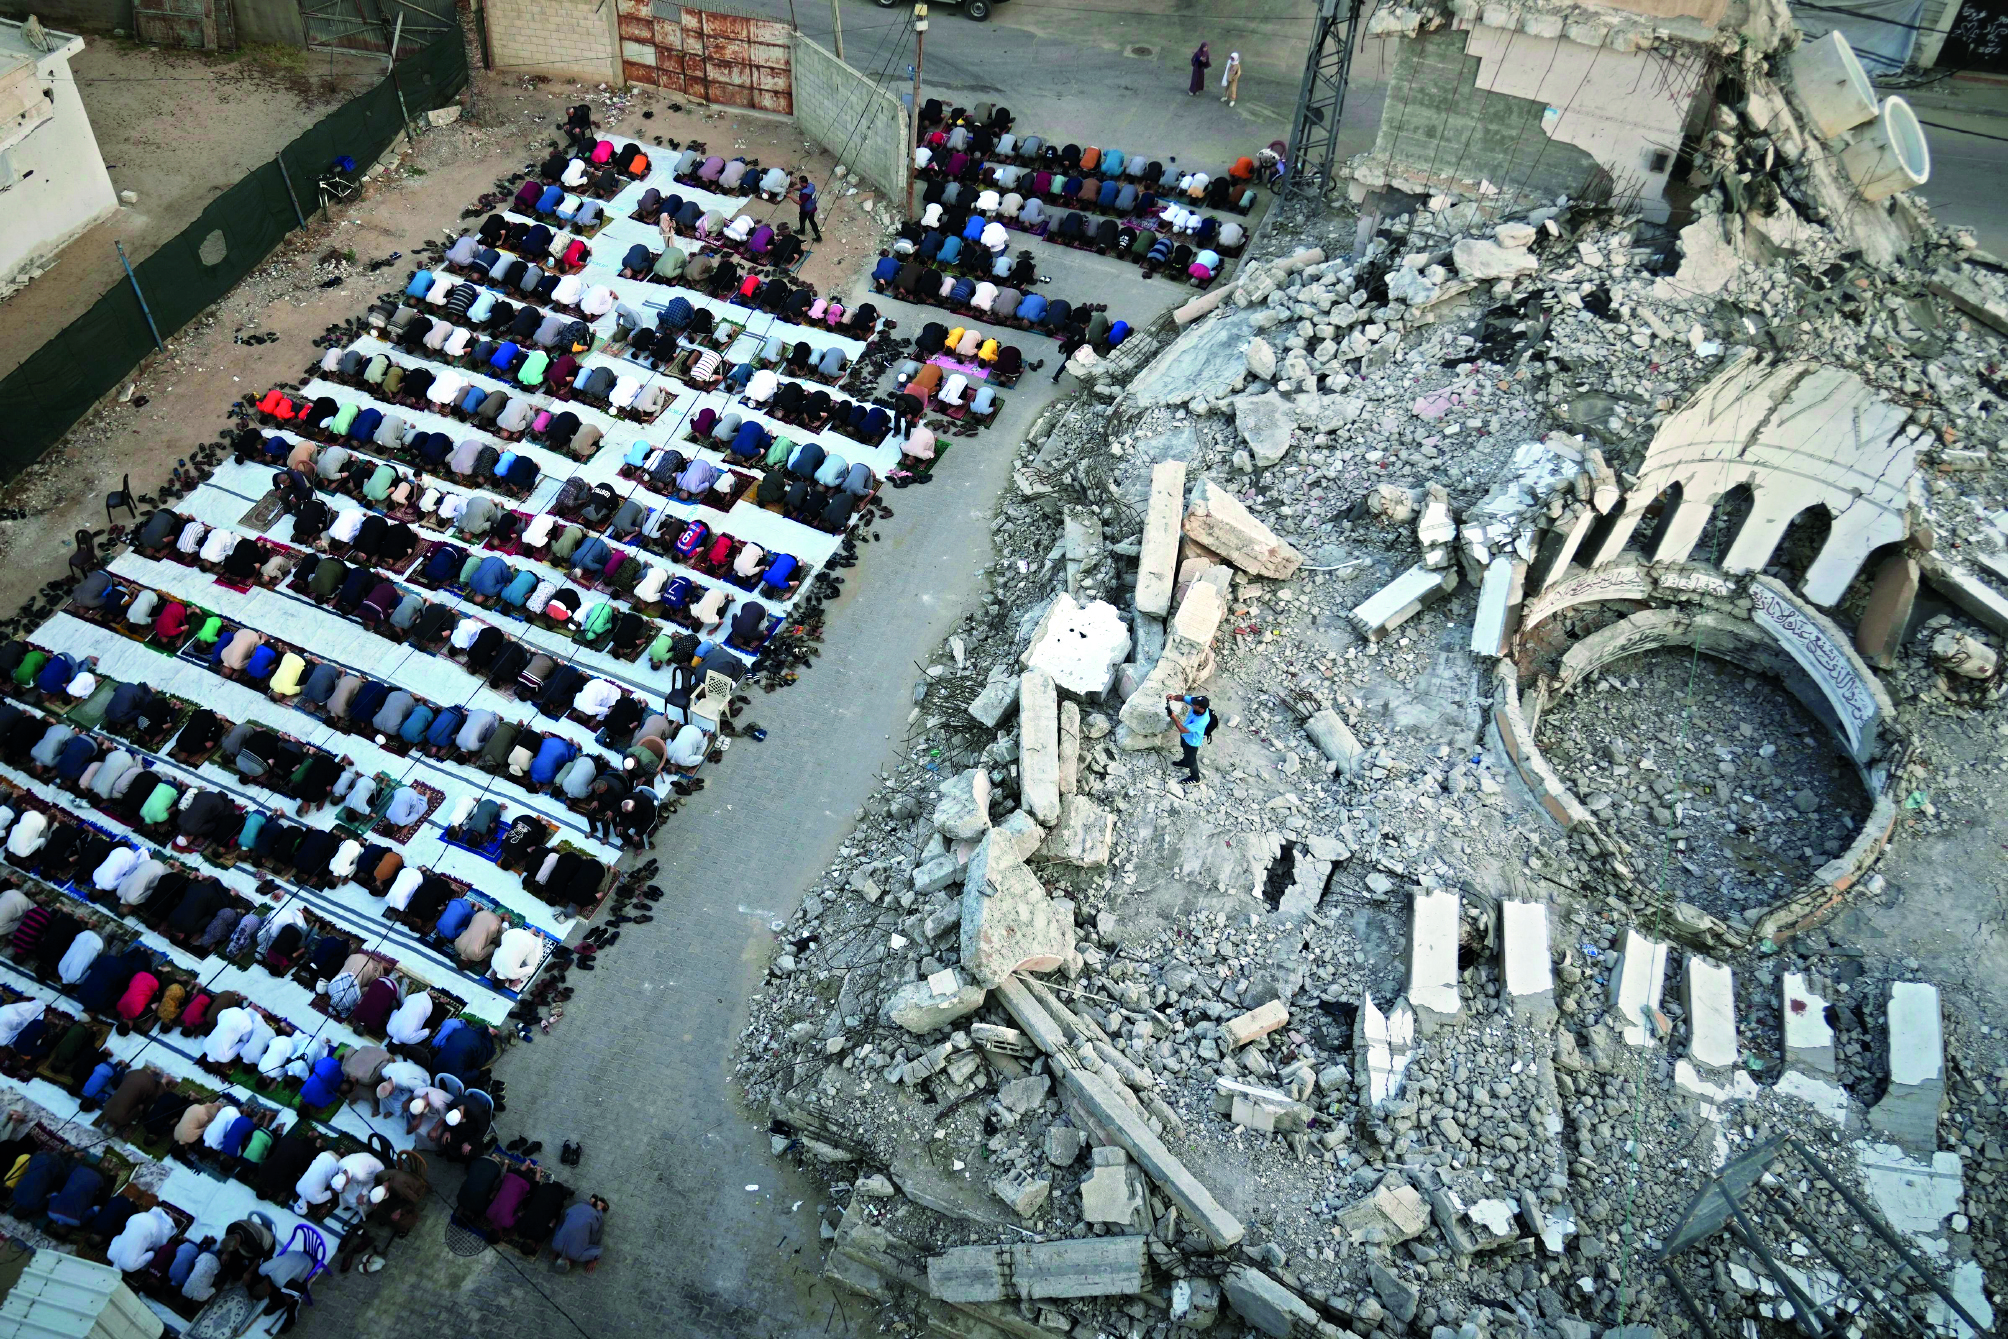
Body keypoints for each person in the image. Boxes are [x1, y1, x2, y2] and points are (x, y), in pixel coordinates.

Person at [551, 1195, 608, 1273]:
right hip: (576, 1208)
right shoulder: (555, 1245)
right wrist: (557, 1249)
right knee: (565, 1221)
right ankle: (591, 1202)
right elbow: (558, 1228)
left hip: (592, 1215)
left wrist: (593, 1260)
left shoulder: (578, 1256)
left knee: (596, 1237)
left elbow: (598, 1251)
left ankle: (599, 1207)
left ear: (570, 1263)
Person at [1166, 694, 1213, 785]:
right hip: (1185, 737)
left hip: (1192, 742)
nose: (1192, 704)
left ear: (1201, 708)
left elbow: (1183, 730)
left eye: (1194, 704)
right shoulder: (1196, 704)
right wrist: (1174, 697)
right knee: (1185, 751)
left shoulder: (1202, 721)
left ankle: (1195, 778)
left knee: (1192, 760)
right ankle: (1185, 763)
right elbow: (1183, 698)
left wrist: (1173, 716)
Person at [792, 175, 822, 242]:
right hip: (812, 207)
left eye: (799, 182)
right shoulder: (811, 185)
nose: (799, 183)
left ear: (802, 182)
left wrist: (790, 197)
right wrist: (793, 189)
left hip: (806, 210)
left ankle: (804, 232)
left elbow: (799, 202)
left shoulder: (805, 194)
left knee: (806, 220)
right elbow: (802, 188)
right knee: (810, 221)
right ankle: (817, 236)